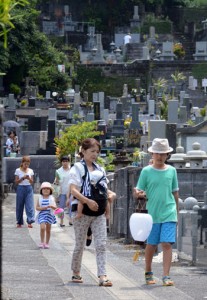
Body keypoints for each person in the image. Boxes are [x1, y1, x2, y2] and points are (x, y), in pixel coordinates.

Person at [68, 138, 116, 286]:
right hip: (82, 209)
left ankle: (102, 275)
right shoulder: (77, 168)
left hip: (99, 211)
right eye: (92, 151)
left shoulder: (100, 169)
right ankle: (76, 272)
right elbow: (73, 190)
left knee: (101, 244)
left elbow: (103, 189)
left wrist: (110, 194)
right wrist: (86, 201)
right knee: (79, 245)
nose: (95, 154)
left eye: (97, 151)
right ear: (83, 151)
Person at [133, 138, 179, 287]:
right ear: (152, 154)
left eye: (163, 154)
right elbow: (138, 191)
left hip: (169, 212)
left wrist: (176, 212)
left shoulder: (172, 171)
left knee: (166, 243)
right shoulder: (146, 171)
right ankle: (148, 271)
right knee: (151, 244)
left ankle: (166, 275)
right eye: (157, 153)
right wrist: (138, 193)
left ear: (167, 155)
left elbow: (175, 193)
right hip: (151, 214)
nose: (159, 156)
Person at [14, 156, 35, 228]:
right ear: (22, 163)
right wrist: (22, 178)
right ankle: (19, 222)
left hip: (28, 188)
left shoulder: (31, 171)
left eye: (28, 164)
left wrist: (29, 178)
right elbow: (16, 182)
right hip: (20, 188)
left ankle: (30, 221)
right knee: (19, 205)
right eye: (25, 164)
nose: (26, 166)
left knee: (29, 205)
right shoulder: (18, 170)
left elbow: (32, 182)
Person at [35, 182, 57, 249]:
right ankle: (42, 242)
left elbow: (55, 207)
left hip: (49, 214)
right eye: (44, 189)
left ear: (50, 190)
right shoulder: (40, 198)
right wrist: (43, 208)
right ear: (41, 190)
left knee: (48, 229)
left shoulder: (52, 198)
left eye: (48, 189)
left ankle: (47, 243)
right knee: (42, 228)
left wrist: (52, 206)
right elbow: (37, 207)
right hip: (42, 214)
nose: (46, 190)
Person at [54, 155, 71, 227]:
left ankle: (71, 220)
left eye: (66, 161)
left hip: (71, 191)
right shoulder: (58, 171)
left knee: (71, 206)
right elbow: (56, 182)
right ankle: (61, 221)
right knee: (61, 207)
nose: (65, 163)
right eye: (63, 161)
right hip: (62, 191)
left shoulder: (72, 170)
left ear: (68, 162)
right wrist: (56, 194)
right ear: (61, 162)